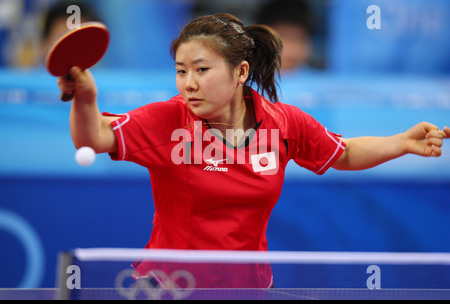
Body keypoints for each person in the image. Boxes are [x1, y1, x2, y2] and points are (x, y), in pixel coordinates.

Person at [57, 13, 449, 288]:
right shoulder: (169, 121)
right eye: (181, 70)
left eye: (201, 70)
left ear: (241, 72)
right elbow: (93, 137)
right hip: (171, 288)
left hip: (248, 290)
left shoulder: (283, 123)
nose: (188, 83)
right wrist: (85, 99)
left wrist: (401, 143)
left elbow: (342, 153)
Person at [255, 0, 316, 74]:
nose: (292, 50)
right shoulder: (243, 82)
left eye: (299, 39)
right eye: (283, 36)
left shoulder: (323, 82)